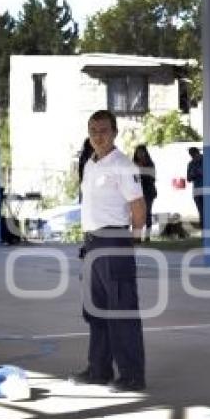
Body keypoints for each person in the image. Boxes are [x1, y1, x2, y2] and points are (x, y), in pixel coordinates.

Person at [70, 110, 147, 392]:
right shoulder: (90, 164)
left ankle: (132, 375)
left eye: (103, 130)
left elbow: (138, 207)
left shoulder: (123, 165)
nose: (97, 136)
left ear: (114, 132)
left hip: (114, 242)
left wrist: (133, 241)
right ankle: (98, 369)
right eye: (93, 131)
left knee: (122, 312)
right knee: (97, 311)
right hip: (92, 244)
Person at [133, 144, 157, 241]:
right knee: (137, 214)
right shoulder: (133, 163)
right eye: (138, 152)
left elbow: (152, 178)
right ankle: (137, 236)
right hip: (136, 192)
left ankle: (147, 236)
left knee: (147, 213)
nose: (140, 154)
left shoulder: (150, 164)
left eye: (142, 152)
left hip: (148, 191)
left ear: (145, 153)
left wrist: (141, 171)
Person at [186, 146, 204, 227]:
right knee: (200, 209)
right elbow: (188, 178)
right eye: (191, 155)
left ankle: (207, 224)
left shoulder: (205, 161)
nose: (193, 156)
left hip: (206, 189)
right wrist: (193, 174)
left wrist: (199, 172)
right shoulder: (190, 164)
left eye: (194, 154)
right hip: (197, 189)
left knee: (207, 208)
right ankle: (203, 224)